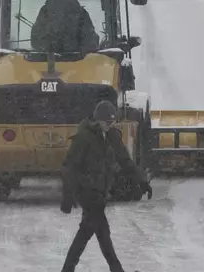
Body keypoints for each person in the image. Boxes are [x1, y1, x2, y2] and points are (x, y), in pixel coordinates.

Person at [60, 100, 153, 272]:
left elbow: (124, 159)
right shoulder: (84, 137)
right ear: (98, 120)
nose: (110, 125)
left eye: (113, 122)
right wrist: (67, 193)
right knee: (93, 231)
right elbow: (70, 166)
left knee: (97, 232)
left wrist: (142, 180)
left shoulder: (111, 135)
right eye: (107, 122)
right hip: (87, 191)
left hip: (101, 191)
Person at [30, 0, 99, 53]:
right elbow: (90, 43)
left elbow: (36, 41)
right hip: (77, 62)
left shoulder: (45, 11)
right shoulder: (81, 13)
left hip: (45, 61)